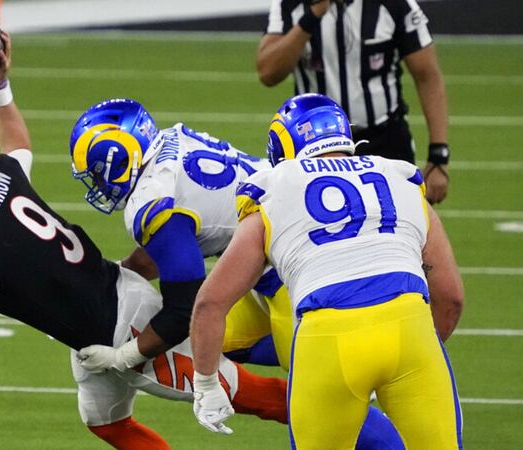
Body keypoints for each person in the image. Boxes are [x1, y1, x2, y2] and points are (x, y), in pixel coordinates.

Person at [0, 33, 290, 448]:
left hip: (122, 329)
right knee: (108, 424)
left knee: (260, 397)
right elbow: (18, 145)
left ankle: (326, 406)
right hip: (102, 309)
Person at [68, 99, 405, 449]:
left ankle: (356, 375)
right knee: (212, 340)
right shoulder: (168, 145)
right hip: (273, 261)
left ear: (121, 157)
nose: (96, 184)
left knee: (322, 403)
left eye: (97, 172)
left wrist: (125, 356)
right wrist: (116, 273)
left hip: (298, 273)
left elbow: (183, 309)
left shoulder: (152, 198)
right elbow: (171, 247)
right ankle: (339, 355)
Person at [190, 93, 464, 448]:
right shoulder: (401, 178)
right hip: (410, 328)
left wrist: (206, 383)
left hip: (329, 338)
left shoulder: (273, 189)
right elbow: (451, 298)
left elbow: (211, 303)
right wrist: (418, 350)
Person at [257, 0, 451, 204]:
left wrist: (439, 155)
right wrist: (311, 17)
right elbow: (268, 72)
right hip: (315, 146)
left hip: (383, 140)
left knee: (401, 219)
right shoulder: (290, 4)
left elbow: (427, 76)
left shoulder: (396, 4)